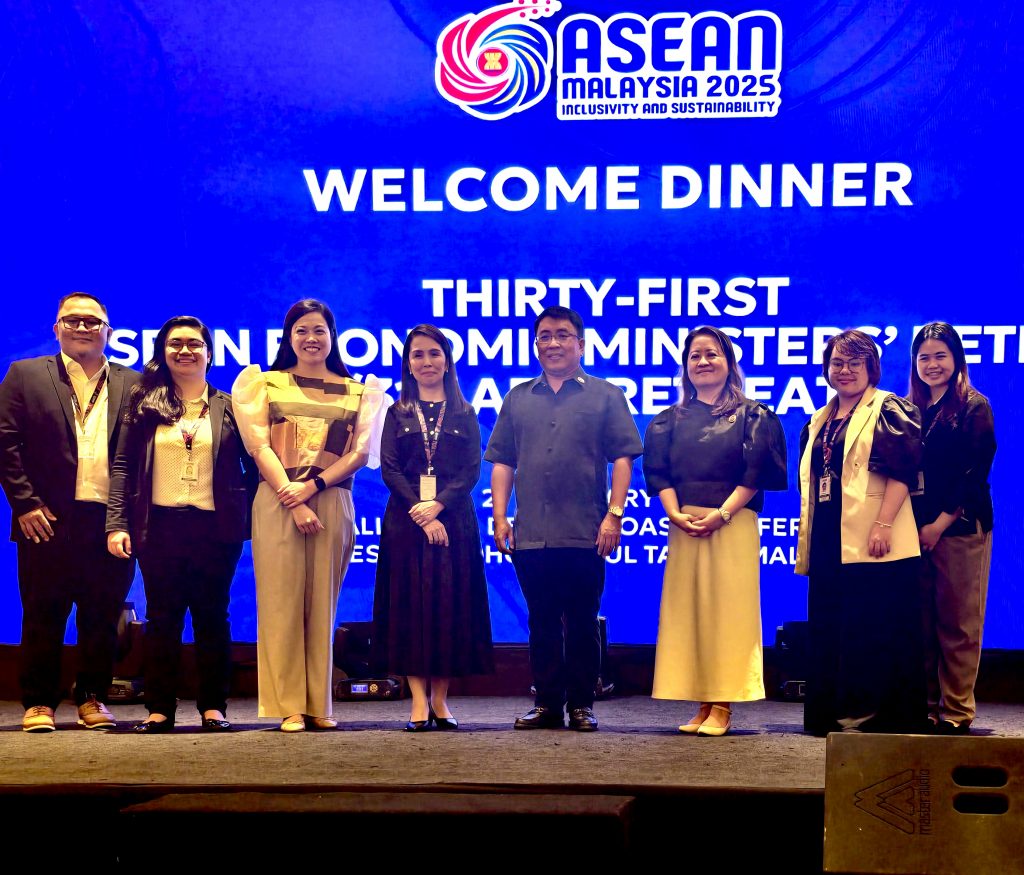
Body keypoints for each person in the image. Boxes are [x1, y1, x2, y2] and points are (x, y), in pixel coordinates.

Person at [232, 299, 389, 732]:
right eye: (301, 330)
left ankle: (319, 703)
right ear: (289, 337)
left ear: (332, 336)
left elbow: (360, 454)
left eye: (319, 330)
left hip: (332, 499)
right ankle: (289, 706)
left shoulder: (360, 391)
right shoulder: (264, 384)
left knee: (322, 606)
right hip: (278, 499)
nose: (311, 338)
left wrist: (313, 487)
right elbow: (259, 446)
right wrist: (295, 497)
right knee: (280, 604)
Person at [485, 306, 643, 732]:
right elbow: (503, 462)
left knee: (582, 621)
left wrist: (614, 515)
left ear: (581, 344)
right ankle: (548, 704)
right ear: (536, 344)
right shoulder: (518, 397)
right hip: (531, 534)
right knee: (540, 621)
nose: (552, 343)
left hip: (585, 531)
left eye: (562, 335)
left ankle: (582, 705)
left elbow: (623, 459)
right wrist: (499, 518)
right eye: (545, 336)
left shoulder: (606, 395)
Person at [106, 316, 257, 733]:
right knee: (162, 618)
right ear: (163, 351)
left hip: (215, 529)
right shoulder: (143, 403)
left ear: (209, 352)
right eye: (175, 344)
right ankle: (159, 709)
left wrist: (244, 512)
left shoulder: (230, 406)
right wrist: (117, 523)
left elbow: (255, 466)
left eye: (194, 344)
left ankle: (214, 707)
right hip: (159, 527)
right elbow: (123, 467)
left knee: (213, 617)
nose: (185, 351)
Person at [0, 292, 138, 732]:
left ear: (108, 332)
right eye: (72, 320)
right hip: (45, 518)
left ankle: (92, 696)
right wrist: (25, 503)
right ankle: (39, 702)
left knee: (102, 615)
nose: (83, 327)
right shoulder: (25, 375)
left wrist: (129, 517)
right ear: (56, 328)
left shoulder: (134, 383)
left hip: (110, 520)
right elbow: (5, 442)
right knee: (43, 613)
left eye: (92, 321)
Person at [643, 327, 787, 736]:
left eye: (711, 354)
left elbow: (755, 474)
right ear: (685, 367)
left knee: (728, 614)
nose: (703, 362)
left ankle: (723, 703)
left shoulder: (754, 416)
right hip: (685, 525)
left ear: (729, 363)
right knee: (689, 615)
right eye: (695, 356)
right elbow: (658, 473)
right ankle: (703, 702)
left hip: (732, 522)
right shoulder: (668, 420)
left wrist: (722, 514)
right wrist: (674, 513)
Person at [795, 329, 926, 735]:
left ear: (872, 368)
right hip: (828, 535)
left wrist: (883, 523)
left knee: (870, 628)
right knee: (830, 624)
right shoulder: (819, 418)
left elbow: (903, 472)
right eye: (837, 363)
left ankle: (867, 718)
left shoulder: (890, 408)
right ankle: (827, 716)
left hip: (875, 534)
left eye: (855, 363)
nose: (845, 370)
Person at [372, 325, 493, 731]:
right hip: (406, 522)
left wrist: (438, 506)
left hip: (453, 520)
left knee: (448, 608)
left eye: (434, 353)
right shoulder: (397, 412)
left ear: (447, 361)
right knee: (409, 608)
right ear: (408, 363)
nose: (427, 361)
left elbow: (471, 471)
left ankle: (440, 699)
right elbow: (390, 469)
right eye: (418, 354)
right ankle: (417, 702)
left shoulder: (465, 412)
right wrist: (421, 512)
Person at [909, 322, 996, 735]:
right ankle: (927, 706)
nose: (932, 364)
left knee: (959, 623)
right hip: (915, 532)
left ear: (956, 358)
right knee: (922, 623)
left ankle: (957, 710)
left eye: (940, 356)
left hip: (960, 527)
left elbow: (972, 475)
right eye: (924, 357)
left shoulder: (974, 407)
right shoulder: (911, 409)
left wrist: (938, 525)